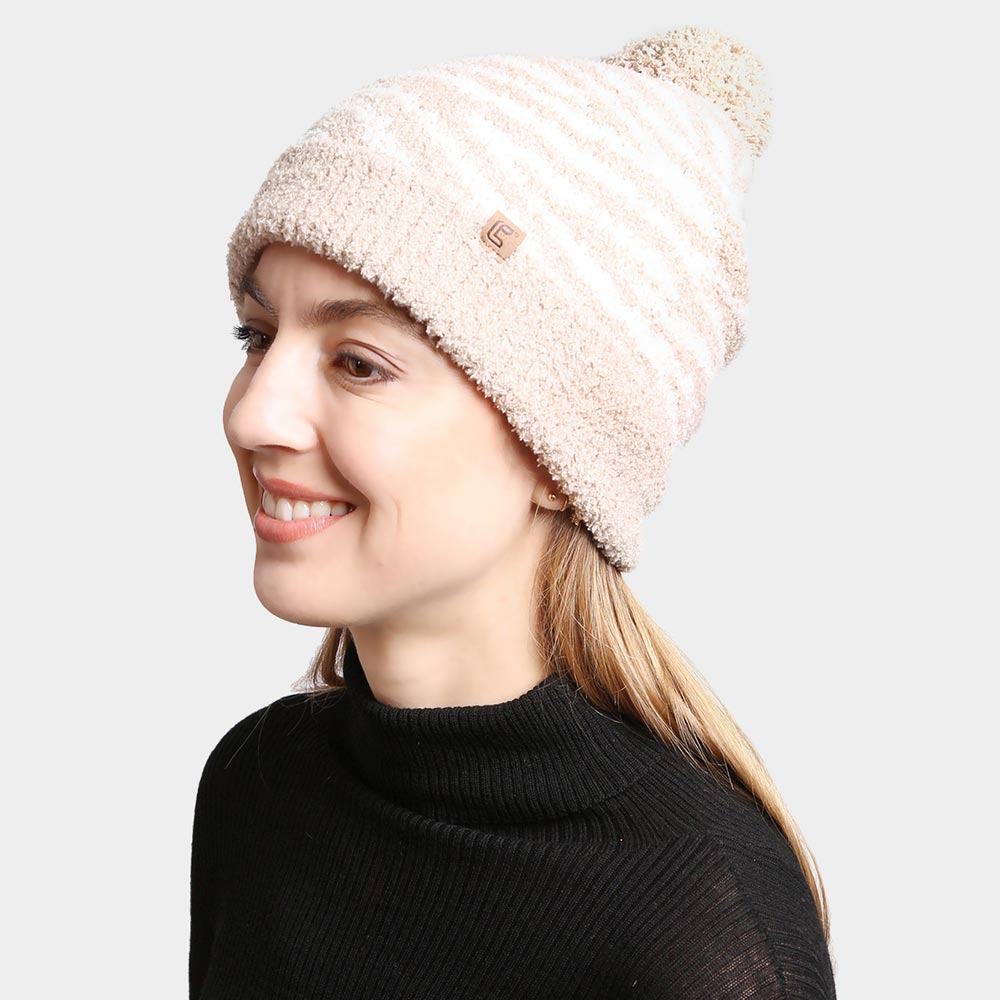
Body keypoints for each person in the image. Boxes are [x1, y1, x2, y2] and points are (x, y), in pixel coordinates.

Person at [189, 23, 837, 999]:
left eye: (358, 363)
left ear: (556, 452)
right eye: (257, 335)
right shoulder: (255, 786)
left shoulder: (702, 925)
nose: (251, 414)